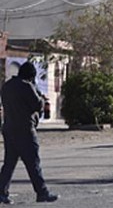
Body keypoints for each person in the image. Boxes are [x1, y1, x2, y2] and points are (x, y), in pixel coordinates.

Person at [0, 62, 58, 204]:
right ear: (31, 75)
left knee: (9, 163)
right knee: (33, 163)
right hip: (25, 129)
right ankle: (42, 192)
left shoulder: (6, 86)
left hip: (9, 128)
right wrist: (40, 96)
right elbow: (38, 105)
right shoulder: (27, 86)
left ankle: (1, 192)